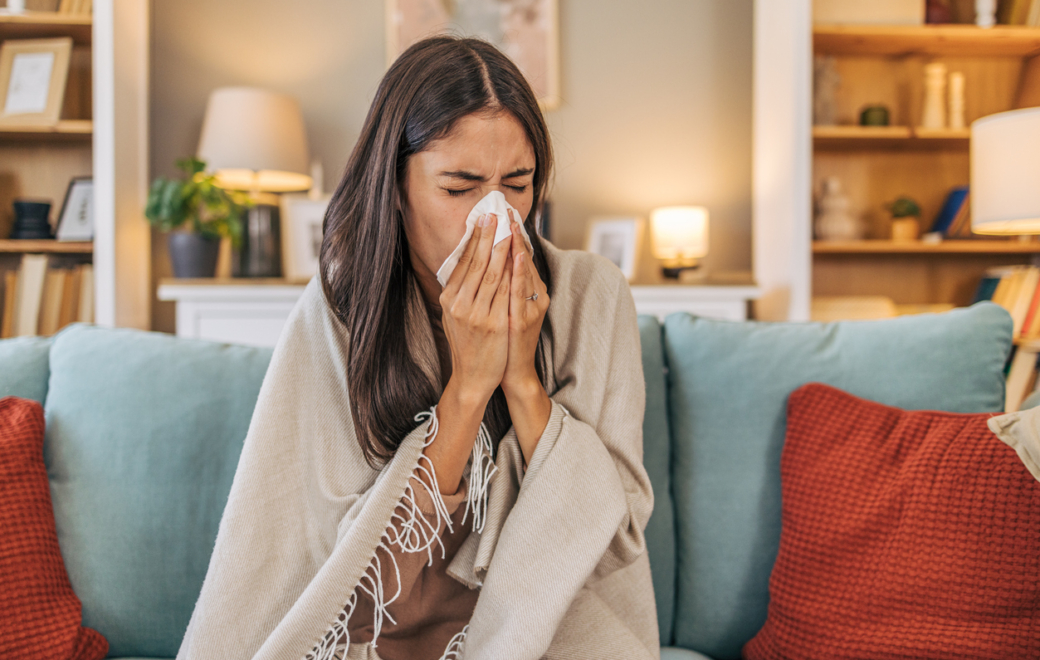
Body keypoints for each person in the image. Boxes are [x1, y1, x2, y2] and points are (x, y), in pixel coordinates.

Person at [176, 36, 657, 660]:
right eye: (458, 188)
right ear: (395, 187)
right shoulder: (340, 310)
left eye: (517, 184)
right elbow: (344, 584)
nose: (496, 217)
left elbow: (613, 539)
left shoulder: (592, 295)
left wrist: (521, 380)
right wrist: (468, 387)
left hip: (539, 631)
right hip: (373, 640)